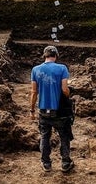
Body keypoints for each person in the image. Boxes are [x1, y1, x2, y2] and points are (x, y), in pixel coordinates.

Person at [30, 45, 74, 173]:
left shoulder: (35, 70)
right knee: (64, 136)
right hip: (60, 111)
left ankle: (46, 163)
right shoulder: (62, 68)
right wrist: (69, 94)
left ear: (45, 56)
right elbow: (65, 89)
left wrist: (32, 110)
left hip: (43, 111)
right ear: (56, 56)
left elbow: (33, 92)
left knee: (45, 136)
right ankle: (65, 163)